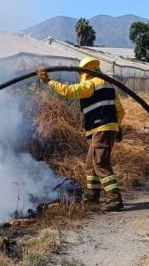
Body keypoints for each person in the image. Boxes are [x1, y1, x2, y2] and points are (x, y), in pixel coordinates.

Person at [37, 57, 125, 211]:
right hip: (105, 129)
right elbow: (120, 111)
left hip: (100, 128)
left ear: (85, 72)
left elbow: (69, 91)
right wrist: (116, 126)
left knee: (100, 163)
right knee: (91, 165)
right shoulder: (109, 86)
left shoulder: (90, 84)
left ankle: (115, 200)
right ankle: (93, 197)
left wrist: (48, 82)